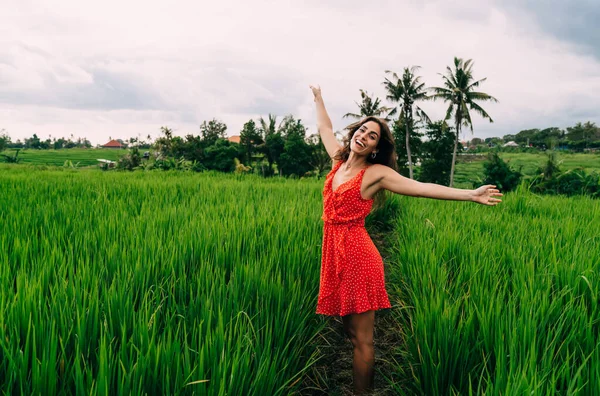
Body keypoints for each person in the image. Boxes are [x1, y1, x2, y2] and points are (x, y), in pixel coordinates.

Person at [309, 85, 503, 394]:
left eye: (372, 135)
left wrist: (470, 194)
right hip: (335, 254)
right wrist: (319, 99)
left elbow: (422, 186)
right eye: (362, 129)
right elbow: (325, 127)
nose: (364, 135)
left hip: (358, 256)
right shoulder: (338, 161)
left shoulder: (375, 174)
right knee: (349, 331)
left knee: (363, 339)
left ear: (375, 147)